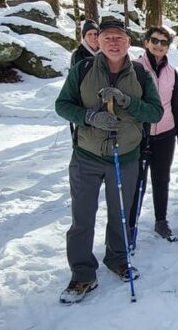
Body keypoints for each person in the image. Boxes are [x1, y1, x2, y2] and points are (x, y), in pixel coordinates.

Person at [55, 20, 164, 303]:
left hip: (126, 156)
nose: (113, 43)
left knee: (120, 214)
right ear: (98, 41)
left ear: (128, 42)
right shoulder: (83, 70)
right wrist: (89, 117)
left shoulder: (140, 73)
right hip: (86, 156)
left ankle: (117, 258)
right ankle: (82, 273)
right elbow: (62, 105)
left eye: (119, 37)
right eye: (107, 38)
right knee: (82, 217)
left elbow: (155, 113)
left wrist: (127, 102)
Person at [128, 26, 178, 242]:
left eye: (164, 42)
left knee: (161, 179)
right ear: (146, 43)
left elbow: (177, 107)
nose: (159, 45)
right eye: (155, 40)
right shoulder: (134, 68)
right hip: (140, 135)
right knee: (138, 181)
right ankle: (131, 224)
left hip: (165, 134)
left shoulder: (172, 72)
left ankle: (161, 220)